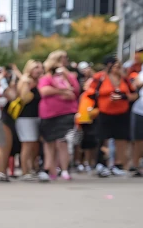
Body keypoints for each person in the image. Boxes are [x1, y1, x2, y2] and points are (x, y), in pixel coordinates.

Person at [86, 57, 136, 177]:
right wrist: (105, 96)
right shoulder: (100, 77)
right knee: (103, 138)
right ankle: (102, 164)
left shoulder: (124, 78)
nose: (118, 69)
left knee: (121, 138)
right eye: (115, 66)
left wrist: (123, 97)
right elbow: (90, 91)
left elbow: (134, 94)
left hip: (121, 112)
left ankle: (118, 164)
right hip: (104, 112)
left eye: (119, 66)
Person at [38, 50, 80, 181]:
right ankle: (49, 169)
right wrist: (62, 91)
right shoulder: (46, 77)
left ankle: (65, 170)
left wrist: (66, 75)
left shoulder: (68, 75)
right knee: (49, 142)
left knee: (63, 141)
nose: (64, 61)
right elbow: (44, 91)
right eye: (62, 59)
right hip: (49, 113)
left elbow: (75, 90)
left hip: (66, 113)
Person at [15, 60, 44, 180]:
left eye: (39, 67)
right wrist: (28, 85)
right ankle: (25, 171)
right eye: (35, 67)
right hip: (25, 117)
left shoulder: (40, 81)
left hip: (37, 116)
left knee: (34, 144)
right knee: (27, 144)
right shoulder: (25, 81)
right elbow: (24, 98)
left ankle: (32, 168)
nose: (38, 70)